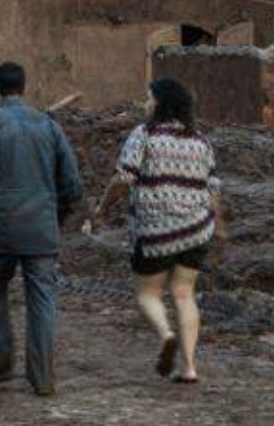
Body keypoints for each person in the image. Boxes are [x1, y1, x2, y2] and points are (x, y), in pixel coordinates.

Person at [0, 61, 83, 397]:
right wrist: (59, 216)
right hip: (42, 228)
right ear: (23, 88)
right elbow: (72, 182)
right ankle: (43, 378)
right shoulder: (49, 126)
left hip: (3, 227)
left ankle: (0, 361)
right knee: (42, 298)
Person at [111, 78, 220, 383]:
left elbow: (124, 178)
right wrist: (219, 226)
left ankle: (166, 335)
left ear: (160, 103)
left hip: (155, 231)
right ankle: (189, 368)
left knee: (148, 294)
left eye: (149, 98)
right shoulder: (201, 140)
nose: (146, 104)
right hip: (196, 229)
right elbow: (213, 188)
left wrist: (102, 206)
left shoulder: (144, 134)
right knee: (185, 294)